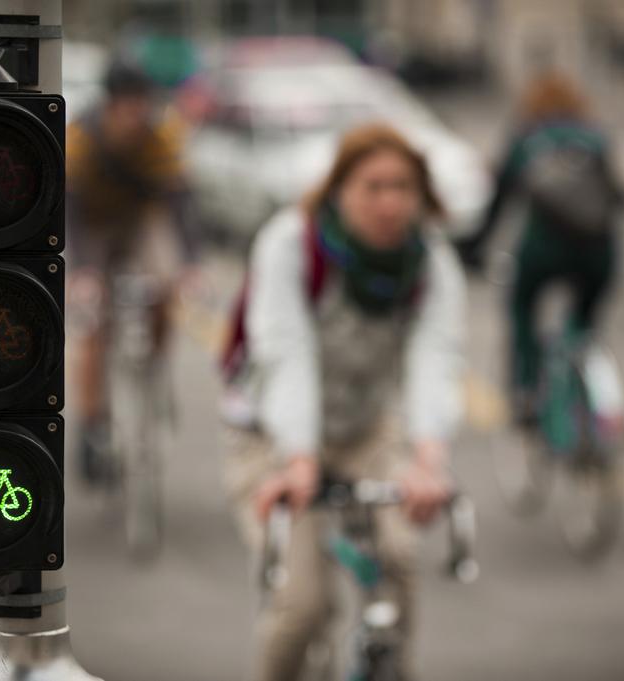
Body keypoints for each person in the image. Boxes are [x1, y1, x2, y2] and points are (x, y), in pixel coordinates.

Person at [222, 123, 466, 681]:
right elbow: (287, 354)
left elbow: (436, 358)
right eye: (372, 186)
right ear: (338, 190)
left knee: (399, 563)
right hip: (269, 433)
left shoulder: (430, 262)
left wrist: (429, 457)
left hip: (364, 430)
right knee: (302, 606)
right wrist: (300, 458)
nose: (389, 202)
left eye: (403, 187)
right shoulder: (291, 244)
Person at [455, 71, 624, 425]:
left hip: (543, 250)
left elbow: (499, 202)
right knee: (584, 321)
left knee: (521, 308)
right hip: (600, 252)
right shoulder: (597, 138)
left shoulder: (528, 139)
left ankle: (528, 391)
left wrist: (472, 250)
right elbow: (615, 195)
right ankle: (585, 374)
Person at [66, 59, 200, 481]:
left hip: (141, 220)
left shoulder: (160, 138)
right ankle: (93, 425)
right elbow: (68, 209)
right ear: (110, 105)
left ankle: (154, 365)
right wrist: (83, 271)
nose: (134, 115)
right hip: (94, 226)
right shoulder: (81, 139)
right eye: (126, 106)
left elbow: (180, 201)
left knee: (166, 284)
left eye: (141, 105)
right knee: (93, 325)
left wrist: (190, 264)